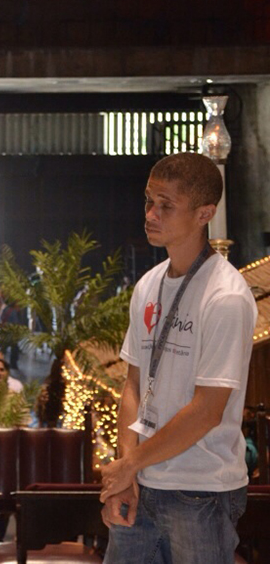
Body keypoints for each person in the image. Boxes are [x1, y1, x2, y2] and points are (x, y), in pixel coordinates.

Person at [100, 152, 257, 564]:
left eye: (166, 205)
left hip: (200, 489)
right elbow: (133, 385)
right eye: (149, 201)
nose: (151, 214)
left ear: (205, 213)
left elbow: (207, 410)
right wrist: (126, 471)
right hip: (142, 479)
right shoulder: (148, 285)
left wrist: (129, 464)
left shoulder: (225, 296)